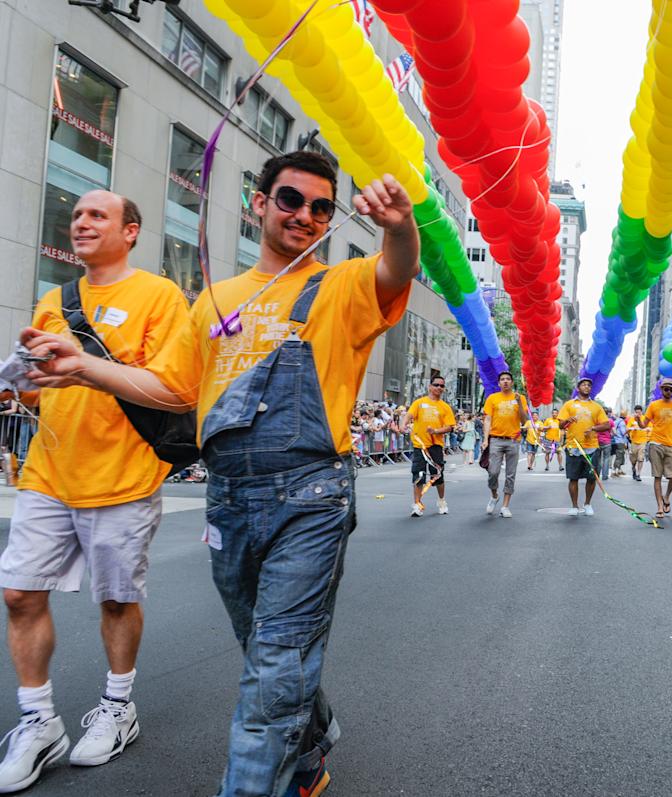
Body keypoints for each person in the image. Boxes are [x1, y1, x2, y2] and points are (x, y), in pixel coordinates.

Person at [23, 153, 421, 796]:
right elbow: (170, 389)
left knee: (274, 661)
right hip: (228, 500)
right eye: (291, 200)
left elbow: (397, 266)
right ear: (258, 203)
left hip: (311, 497)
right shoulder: (212, 299)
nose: (307, 216)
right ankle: (313, 737)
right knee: (265, 647)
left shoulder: (345, 284)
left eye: (322, 208)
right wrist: (82, 366)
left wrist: (400, 226)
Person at [0, 191, 190, 791]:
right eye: (77, 214)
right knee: (18, 596)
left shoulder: (159, 296)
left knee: (114, 599)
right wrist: (21, 378)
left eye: (97, 216)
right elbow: (42, 390)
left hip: (122, 476)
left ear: (130, 231)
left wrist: (81, 362)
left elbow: (174, 390)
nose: (81, 222)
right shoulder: (56, 299)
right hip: (49, 473)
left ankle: (118, 706)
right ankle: (39, 721)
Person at [402, 375, 456, 517]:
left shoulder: (445, 407)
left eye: (441, 386)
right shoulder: (419, 403)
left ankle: (442, 501)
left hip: (435, 445)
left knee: (437, 475)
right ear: (430, 386)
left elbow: (450, 427)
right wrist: (403, 424)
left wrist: (436, 431)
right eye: (436, 385)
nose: (439, 388)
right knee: (418, 475)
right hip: (420, 445)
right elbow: (409, 415)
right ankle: (417, 504)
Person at [558, 378, 609, 516]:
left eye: (589, 385)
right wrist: (567, 420)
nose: (586, 387)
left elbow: (606, 425)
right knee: (573, 478)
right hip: (573, 447)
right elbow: (560, 425)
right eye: (583, 385)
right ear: (578, 388)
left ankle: (587, 504)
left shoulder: (596, 406)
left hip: (591, 447)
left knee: (591, 478)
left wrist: (593, 428)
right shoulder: (569, 405)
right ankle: (574, 506)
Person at [481, 372, 529, 518]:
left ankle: (505, 506)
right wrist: (485, 439)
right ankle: (494, 495)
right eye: (502, 379)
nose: (506, 381)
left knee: (510, 474)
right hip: (495, 439)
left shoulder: (519, 398)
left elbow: (524, 420)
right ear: (499, 383)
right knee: (493, 472)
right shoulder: (492, 398)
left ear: (512, 382)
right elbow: (487, 419)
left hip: (513, 440)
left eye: (508, 379)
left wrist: (520, 404)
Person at [640, 380, 672, 520]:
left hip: (671, 445)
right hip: (655, 443)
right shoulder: (653, 405)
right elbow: (643, 425)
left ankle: (666, 496)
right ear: (662, 390)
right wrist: (637, 419)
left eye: (671, 390)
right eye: (666, 389)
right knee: (657, 476)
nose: (669, 392)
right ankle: (660, 506)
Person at [627, 406, 650, 481]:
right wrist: (631, 429)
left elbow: (650, 429)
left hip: (643, 441)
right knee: (633, 459)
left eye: (639, 412)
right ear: (634, 412)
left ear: (641, 412)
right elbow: (627, 429)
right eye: (636, 412)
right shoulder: (631, 419)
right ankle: (633, 468)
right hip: (634, 441)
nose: (638, 414)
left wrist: (648, 435)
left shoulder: (645, 419)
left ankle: (638, 474)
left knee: (640, 458)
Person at [596, 409, 614, 481]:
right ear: (607, 413)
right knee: (606, 459)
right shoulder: (610, 421)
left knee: (598, 459)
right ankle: (605, 476)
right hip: (607, 442)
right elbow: (614, 432)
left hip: (598, 441)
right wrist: (610, 434)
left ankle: (597, 475)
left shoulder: (597, 420)